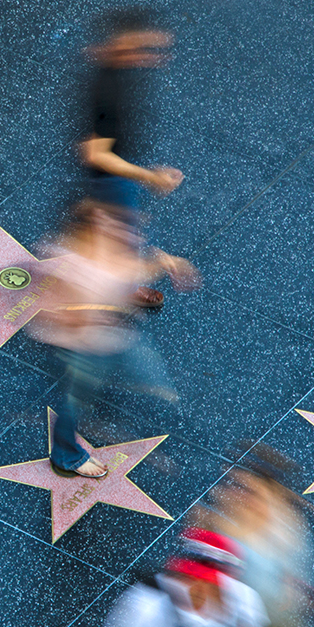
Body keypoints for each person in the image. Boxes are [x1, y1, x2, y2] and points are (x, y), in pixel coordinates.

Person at [29, 199, 199, 478]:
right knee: (75, 398)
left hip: (111, 334)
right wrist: (88, 313)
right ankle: (65, 455)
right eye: (105, 228)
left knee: (138, 361)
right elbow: (60, 315)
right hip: (81, 345)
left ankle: (153, 392)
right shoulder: (68, 267)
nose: (121, 235)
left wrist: (168, 262)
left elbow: (131, 269)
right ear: (84, 233)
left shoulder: (106, 255)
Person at [79, 7, 182, 308]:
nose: (154, 56)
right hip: (111, 179)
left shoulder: (114, 74)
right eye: (145, 48)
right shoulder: (108, 91)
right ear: (122, 46)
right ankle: (122, 288)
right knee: (122, 232)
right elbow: (97, 155)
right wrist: (151, 177)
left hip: (116, 176)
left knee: (119, 228)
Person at [192, 444, 314, 627]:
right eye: (232, 484)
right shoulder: (218, 521)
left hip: (274, 616)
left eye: (246, 489)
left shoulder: (285, 529)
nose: (235, 493)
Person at [103, 528, 269, 627]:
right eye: (189, 576)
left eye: (207, 579)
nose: (196, 584)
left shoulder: (245, 600)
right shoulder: (144, 606)